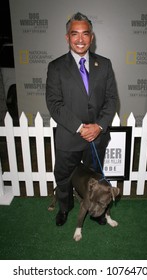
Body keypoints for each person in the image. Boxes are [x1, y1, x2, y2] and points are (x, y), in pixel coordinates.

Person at [46, 12, 118, 226]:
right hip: (69, 135)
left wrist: (99, 126)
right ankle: (65, 208)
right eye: (74, 34)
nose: (80, 39)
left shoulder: (104, 65)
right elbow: (54, 104)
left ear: (91, 37)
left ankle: (95, 208)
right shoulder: (56, 67)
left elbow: (112, 99)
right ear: (67, 37)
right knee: (64, 177)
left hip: (96, 137)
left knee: (94, 178)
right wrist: (79, 127)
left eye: (85, 34)